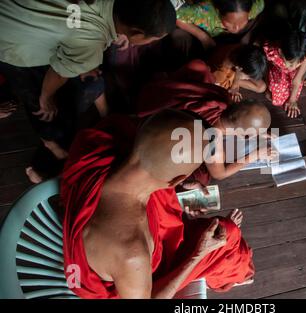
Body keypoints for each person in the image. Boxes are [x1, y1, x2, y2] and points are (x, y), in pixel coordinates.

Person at [61, 110, 255, 299]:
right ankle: (236, 275)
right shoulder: (132, 254)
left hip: (110, 242)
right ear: (177, 179)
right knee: (228, 235)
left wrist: (179, 191)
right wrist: (198, 255)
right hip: (127, 275)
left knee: (219, 231)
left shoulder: (100, 140)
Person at [0, 0, 176, 182]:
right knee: (43, 109)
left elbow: (77, 24)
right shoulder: (90, 44)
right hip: (10, 40)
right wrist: (46, 97)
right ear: (137, 33)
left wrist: (81, 62)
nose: (149, 44)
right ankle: (49, 143)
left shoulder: (103, 22)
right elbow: (59, 74)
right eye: (153, 40)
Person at [138, 67, 275, 184]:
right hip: (154, 132)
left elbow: (239, 118)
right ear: (243, 135)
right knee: (202, 177)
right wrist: (256, 155)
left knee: (200, 70)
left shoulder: (223, 96)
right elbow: (220, 174)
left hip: (153, 97)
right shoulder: (213, 140)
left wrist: (256, 131)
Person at [173, 0, 265, 60]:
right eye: (231, 23)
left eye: (242, 21)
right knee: (179, 35)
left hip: (226, 36)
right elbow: (176, 16)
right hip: (209, 32)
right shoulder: (204, 13)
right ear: (218, 11)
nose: (237, 28)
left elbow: (262, 4)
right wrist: (203, 37)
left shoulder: (255, 7)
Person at [263, 30, 306, 118]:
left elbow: (297, 80)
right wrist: (267, 85)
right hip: (277, 70)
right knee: (277, 100)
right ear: (280, 52)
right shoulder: (272, 52)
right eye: (291, 63)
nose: (294, 66)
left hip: (293, 75)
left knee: (288, 95)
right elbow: (266, 67)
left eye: (299, 62)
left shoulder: (305, 54)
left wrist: (292, 100)